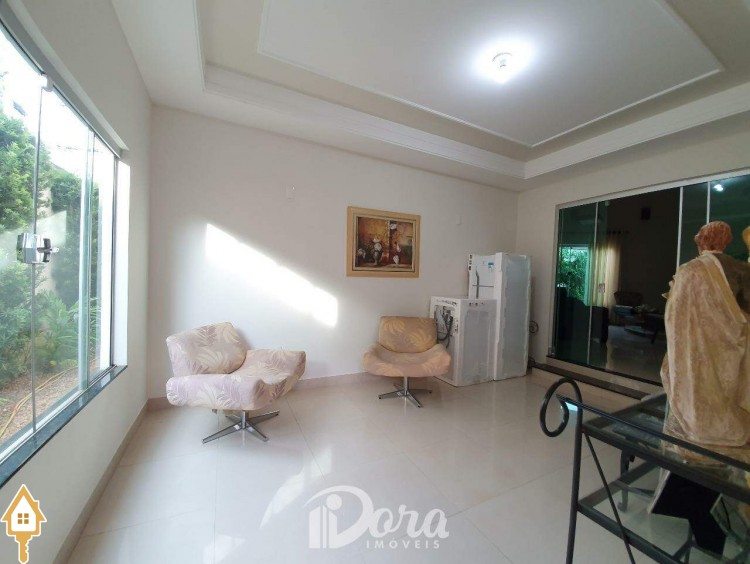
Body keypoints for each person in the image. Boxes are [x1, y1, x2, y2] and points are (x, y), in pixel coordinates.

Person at [660, 221, 750, 447]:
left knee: (694, 383)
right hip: (726, 346)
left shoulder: (688, 269)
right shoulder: (739, 267)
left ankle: (695, 426)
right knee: (722, 387)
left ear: (701, 241)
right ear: (726, 242)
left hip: (692, 346)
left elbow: (674, 313)